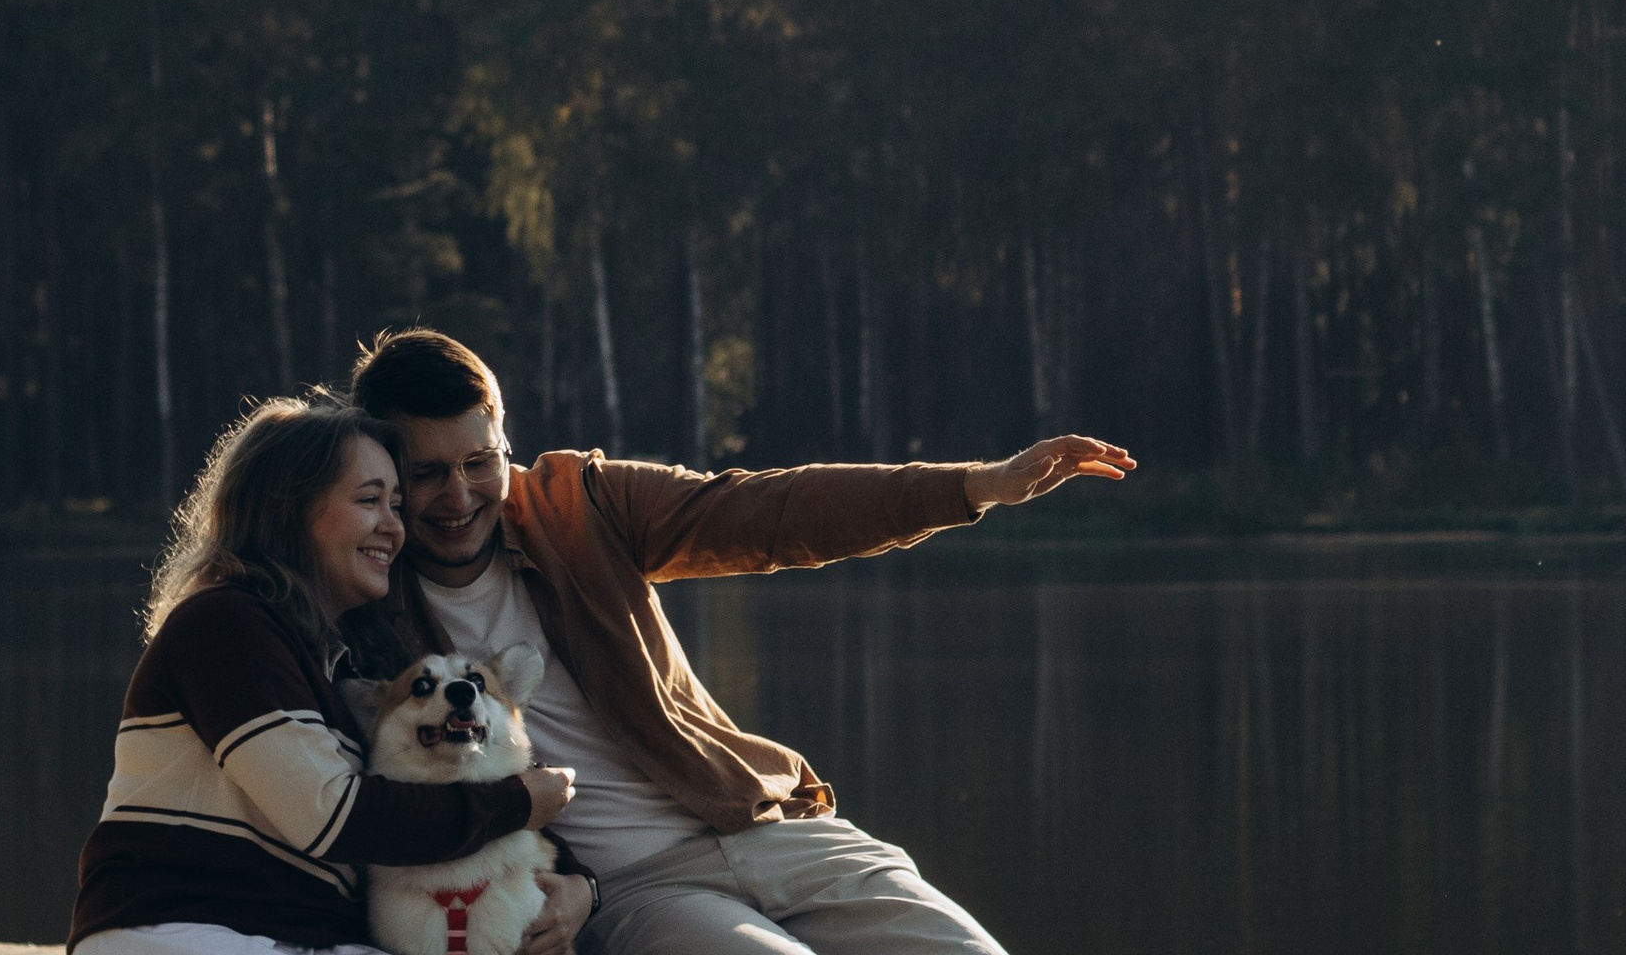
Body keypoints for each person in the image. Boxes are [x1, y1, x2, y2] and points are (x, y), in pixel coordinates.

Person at [347, 329, 1134, 955]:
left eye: (481, 463)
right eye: (427, 475)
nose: (460, 498)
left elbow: (770, 513)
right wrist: (577, 888)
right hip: (635, 890)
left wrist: (974, 486)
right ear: (383, 471)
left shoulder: (580, 506)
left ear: (506, 444)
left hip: (764, 822)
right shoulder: (372, 613)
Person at [69, 388, 597, 955]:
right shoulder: (225, 624)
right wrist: (517, 803)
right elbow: (334, 814)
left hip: (289, 938)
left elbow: (432, 798)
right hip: (183, 927)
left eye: (397, 506)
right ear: (288, 508)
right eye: (370, 500)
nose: (394, 529)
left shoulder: (340, 662)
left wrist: (580, 887)